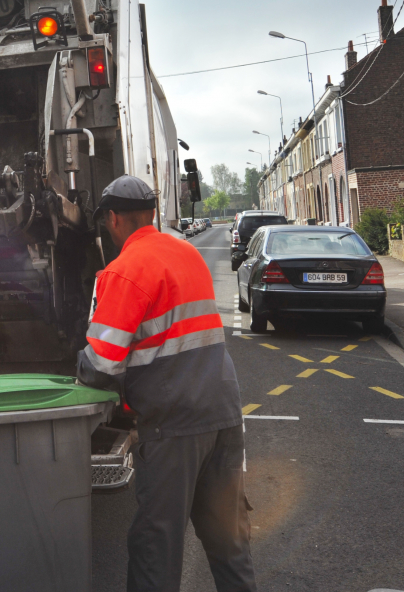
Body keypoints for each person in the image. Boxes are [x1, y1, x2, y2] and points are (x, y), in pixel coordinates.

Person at [76, 175, 256, 592]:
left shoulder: (123, 271)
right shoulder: (186, 253)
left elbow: (101, 363)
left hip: (174, 424)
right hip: (223, 413)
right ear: (153, 214)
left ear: (115, 219)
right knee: (229, 540)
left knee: (156, 545)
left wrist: (77, 365)